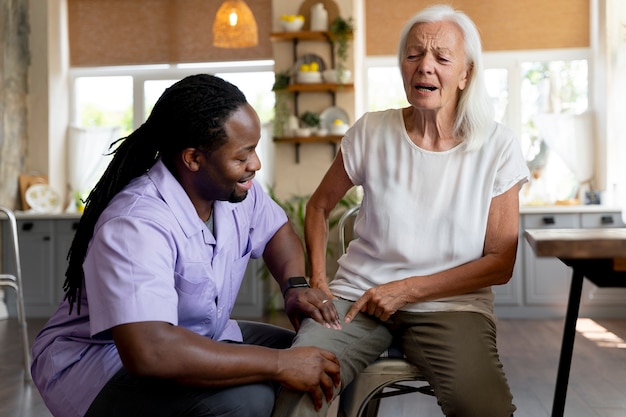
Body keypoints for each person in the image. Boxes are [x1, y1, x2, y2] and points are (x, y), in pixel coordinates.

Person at [30, 74, 341, 417]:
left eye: (255, 149)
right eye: (244, 155)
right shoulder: (136, 224)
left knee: (322, 356)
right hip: (103, 363)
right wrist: (280, 364)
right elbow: (150, 351)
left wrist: (294, 285)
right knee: (249, 401)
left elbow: (277, 231)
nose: (256, 164)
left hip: (196, 337)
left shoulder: (235, 191)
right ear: (194, 158)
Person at [272, 5, 530, 417]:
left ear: (466, 74)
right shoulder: (371, 131)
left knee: (485, 409)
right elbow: (319, 206)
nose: (424, 67)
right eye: (413, 55)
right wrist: (319, 281)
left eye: (442, 58)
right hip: (357, 297)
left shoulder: (498, 146)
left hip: (451, 306)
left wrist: (406, 289)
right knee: (298, 387)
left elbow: (500, 263)